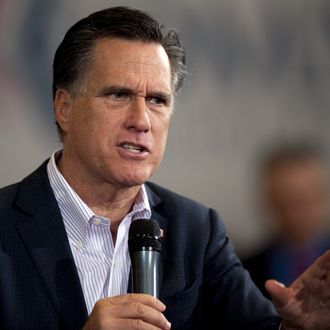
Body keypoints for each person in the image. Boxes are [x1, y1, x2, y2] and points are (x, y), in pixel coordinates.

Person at [0, 6, 329, 330]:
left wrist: (296, 328)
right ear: (64, 107)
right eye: (118, 94)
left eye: (157, 100)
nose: (141, 120)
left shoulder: (197, 231)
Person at [243, 144, 330, 299]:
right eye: (282, 203)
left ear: (321, 196)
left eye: (302, 201)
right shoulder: (245, 272)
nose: (293, 215)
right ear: (268, 203)